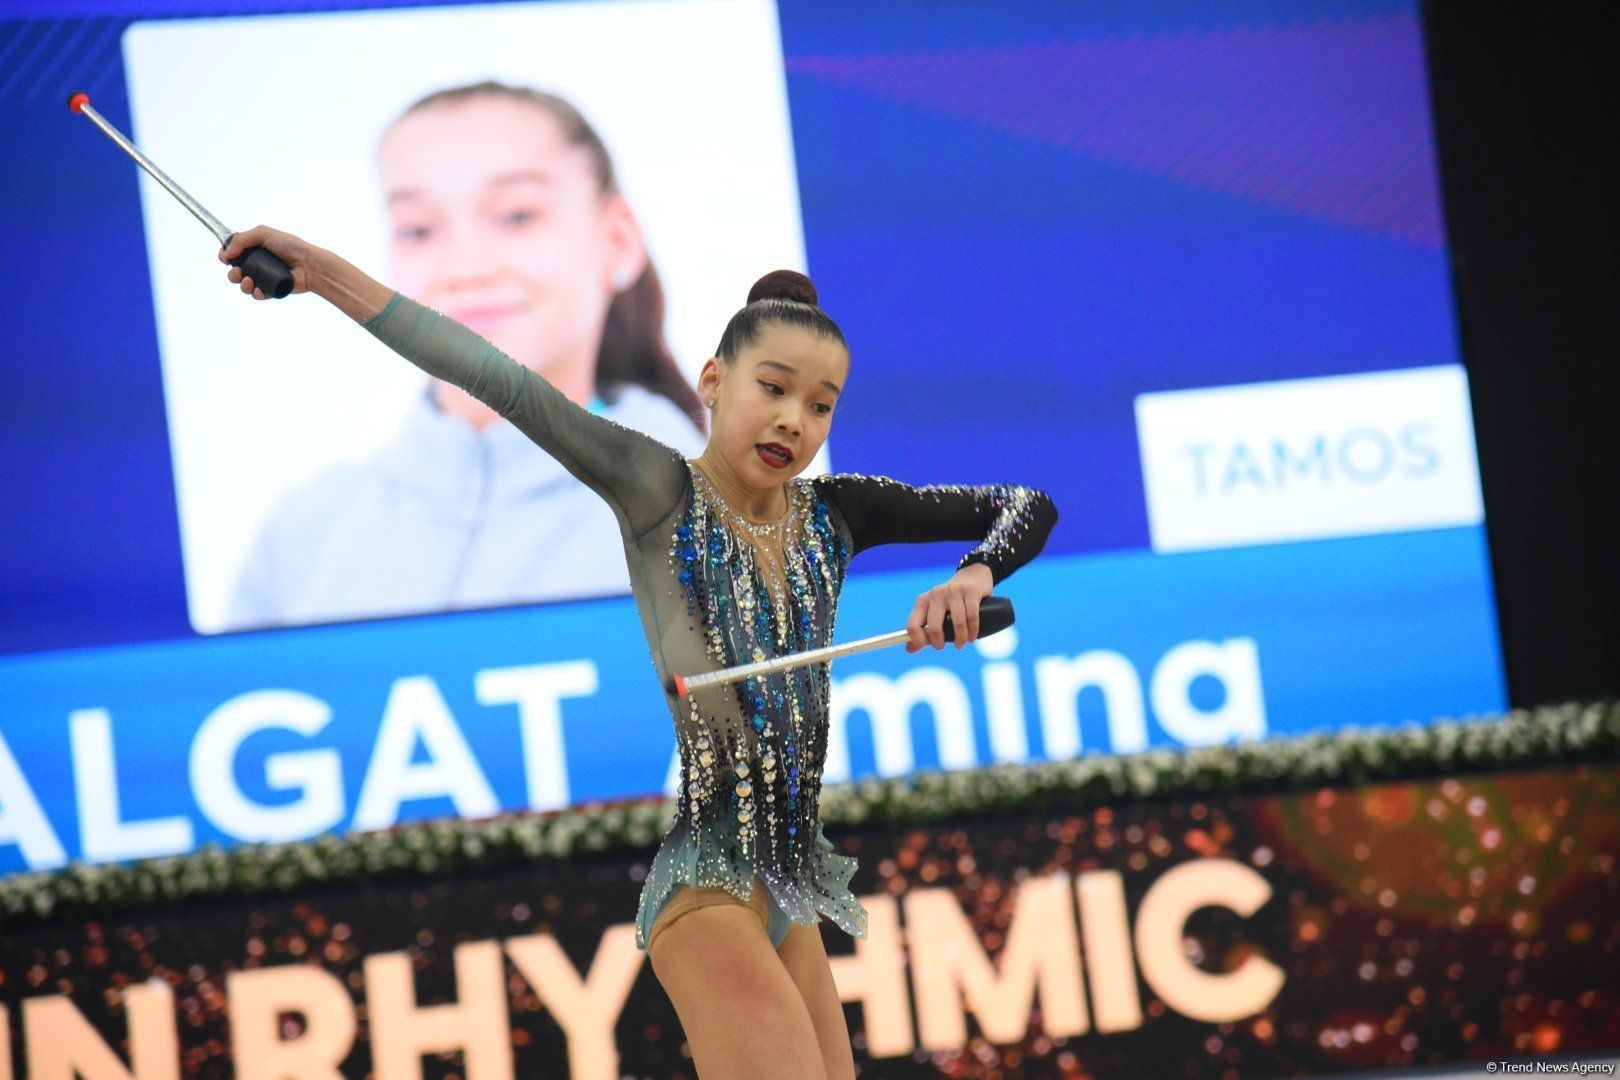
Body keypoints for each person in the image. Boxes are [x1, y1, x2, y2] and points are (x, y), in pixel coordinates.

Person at [219, 225, 1058, 1077]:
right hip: (706, 894)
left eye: (820, 404)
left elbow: (1027, 503)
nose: (792, 420)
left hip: (790, 896)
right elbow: (488, 372)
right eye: (772, 387)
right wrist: (322, 275)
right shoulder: (655, 487)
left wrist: (974, 574)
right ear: (712, 381)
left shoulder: (840, 512)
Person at [225, 82, 706, 631]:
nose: (465, 267)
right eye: (417, 229)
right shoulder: (303, 538)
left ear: (617, 240)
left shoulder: (714, 520)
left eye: (516, 216)